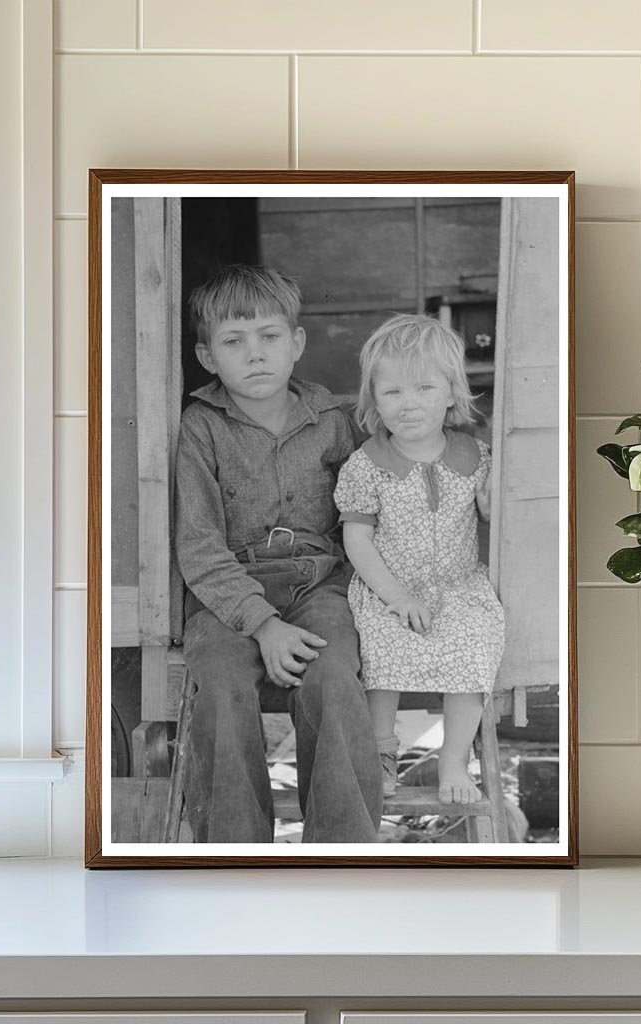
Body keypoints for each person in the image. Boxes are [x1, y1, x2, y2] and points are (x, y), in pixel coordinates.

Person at [174, 264, 383, 843]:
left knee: (335, 674)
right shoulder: (200, 427)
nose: (255, 354)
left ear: (296, 344)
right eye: (234, 342)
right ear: (208, 357)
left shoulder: (335, 423)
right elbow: (196, 541)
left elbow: (375, 506)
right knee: (217, 678)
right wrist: (262, 624)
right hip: (229, 594)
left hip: (321, 586)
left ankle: (345, 849)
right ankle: (234, 852)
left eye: (269, 337)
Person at [334, 313, 506, 805]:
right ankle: (381, 755)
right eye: (392, 393)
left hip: (457, 584)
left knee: (475, 639)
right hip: (389, 586)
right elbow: (358, 541)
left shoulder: (477, 455)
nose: (408, 405)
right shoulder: (366, 465)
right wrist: (395, 595)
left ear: (452, 392)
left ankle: (453, 761)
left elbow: (493, 518)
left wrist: (495, 504)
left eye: (424, 388)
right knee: (382, 645)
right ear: (374, 400)